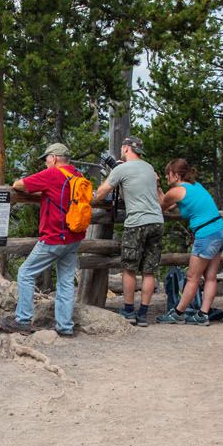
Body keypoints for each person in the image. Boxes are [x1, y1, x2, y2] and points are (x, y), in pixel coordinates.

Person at [0, 143, 85, 337]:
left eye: (46, 159)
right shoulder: (78, 175)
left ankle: (22, 320)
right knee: (65, 282)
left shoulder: (53, 174)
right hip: (73, 237)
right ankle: (65, 326)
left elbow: (19, 185)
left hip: (54, 237)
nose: (46, 163)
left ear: (54, 158)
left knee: (25, 273)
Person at [91, 136, 163, 326]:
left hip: (137, 222)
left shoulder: (121, 169)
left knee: (129, 268)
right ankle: (143, 315)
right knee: (149, 271)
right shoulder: (149, 168)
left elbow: (101, 193)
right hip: (157, 221)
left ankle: (129, 310)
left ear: (125, 148)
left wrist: (112, 175)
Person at [156, 158, 223, 325]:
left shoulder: (177, 191)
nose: (167, 178)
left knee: (192, 277)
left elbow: (162, 205)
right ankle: (203, 314)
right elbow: (173, 204)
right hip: (220, 230)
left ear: (175, 175)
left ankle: (178, 313)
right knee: (210, 277)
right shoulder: (196, 186)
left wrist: (157, 186)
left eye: (168, 175)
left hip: (206, 235)